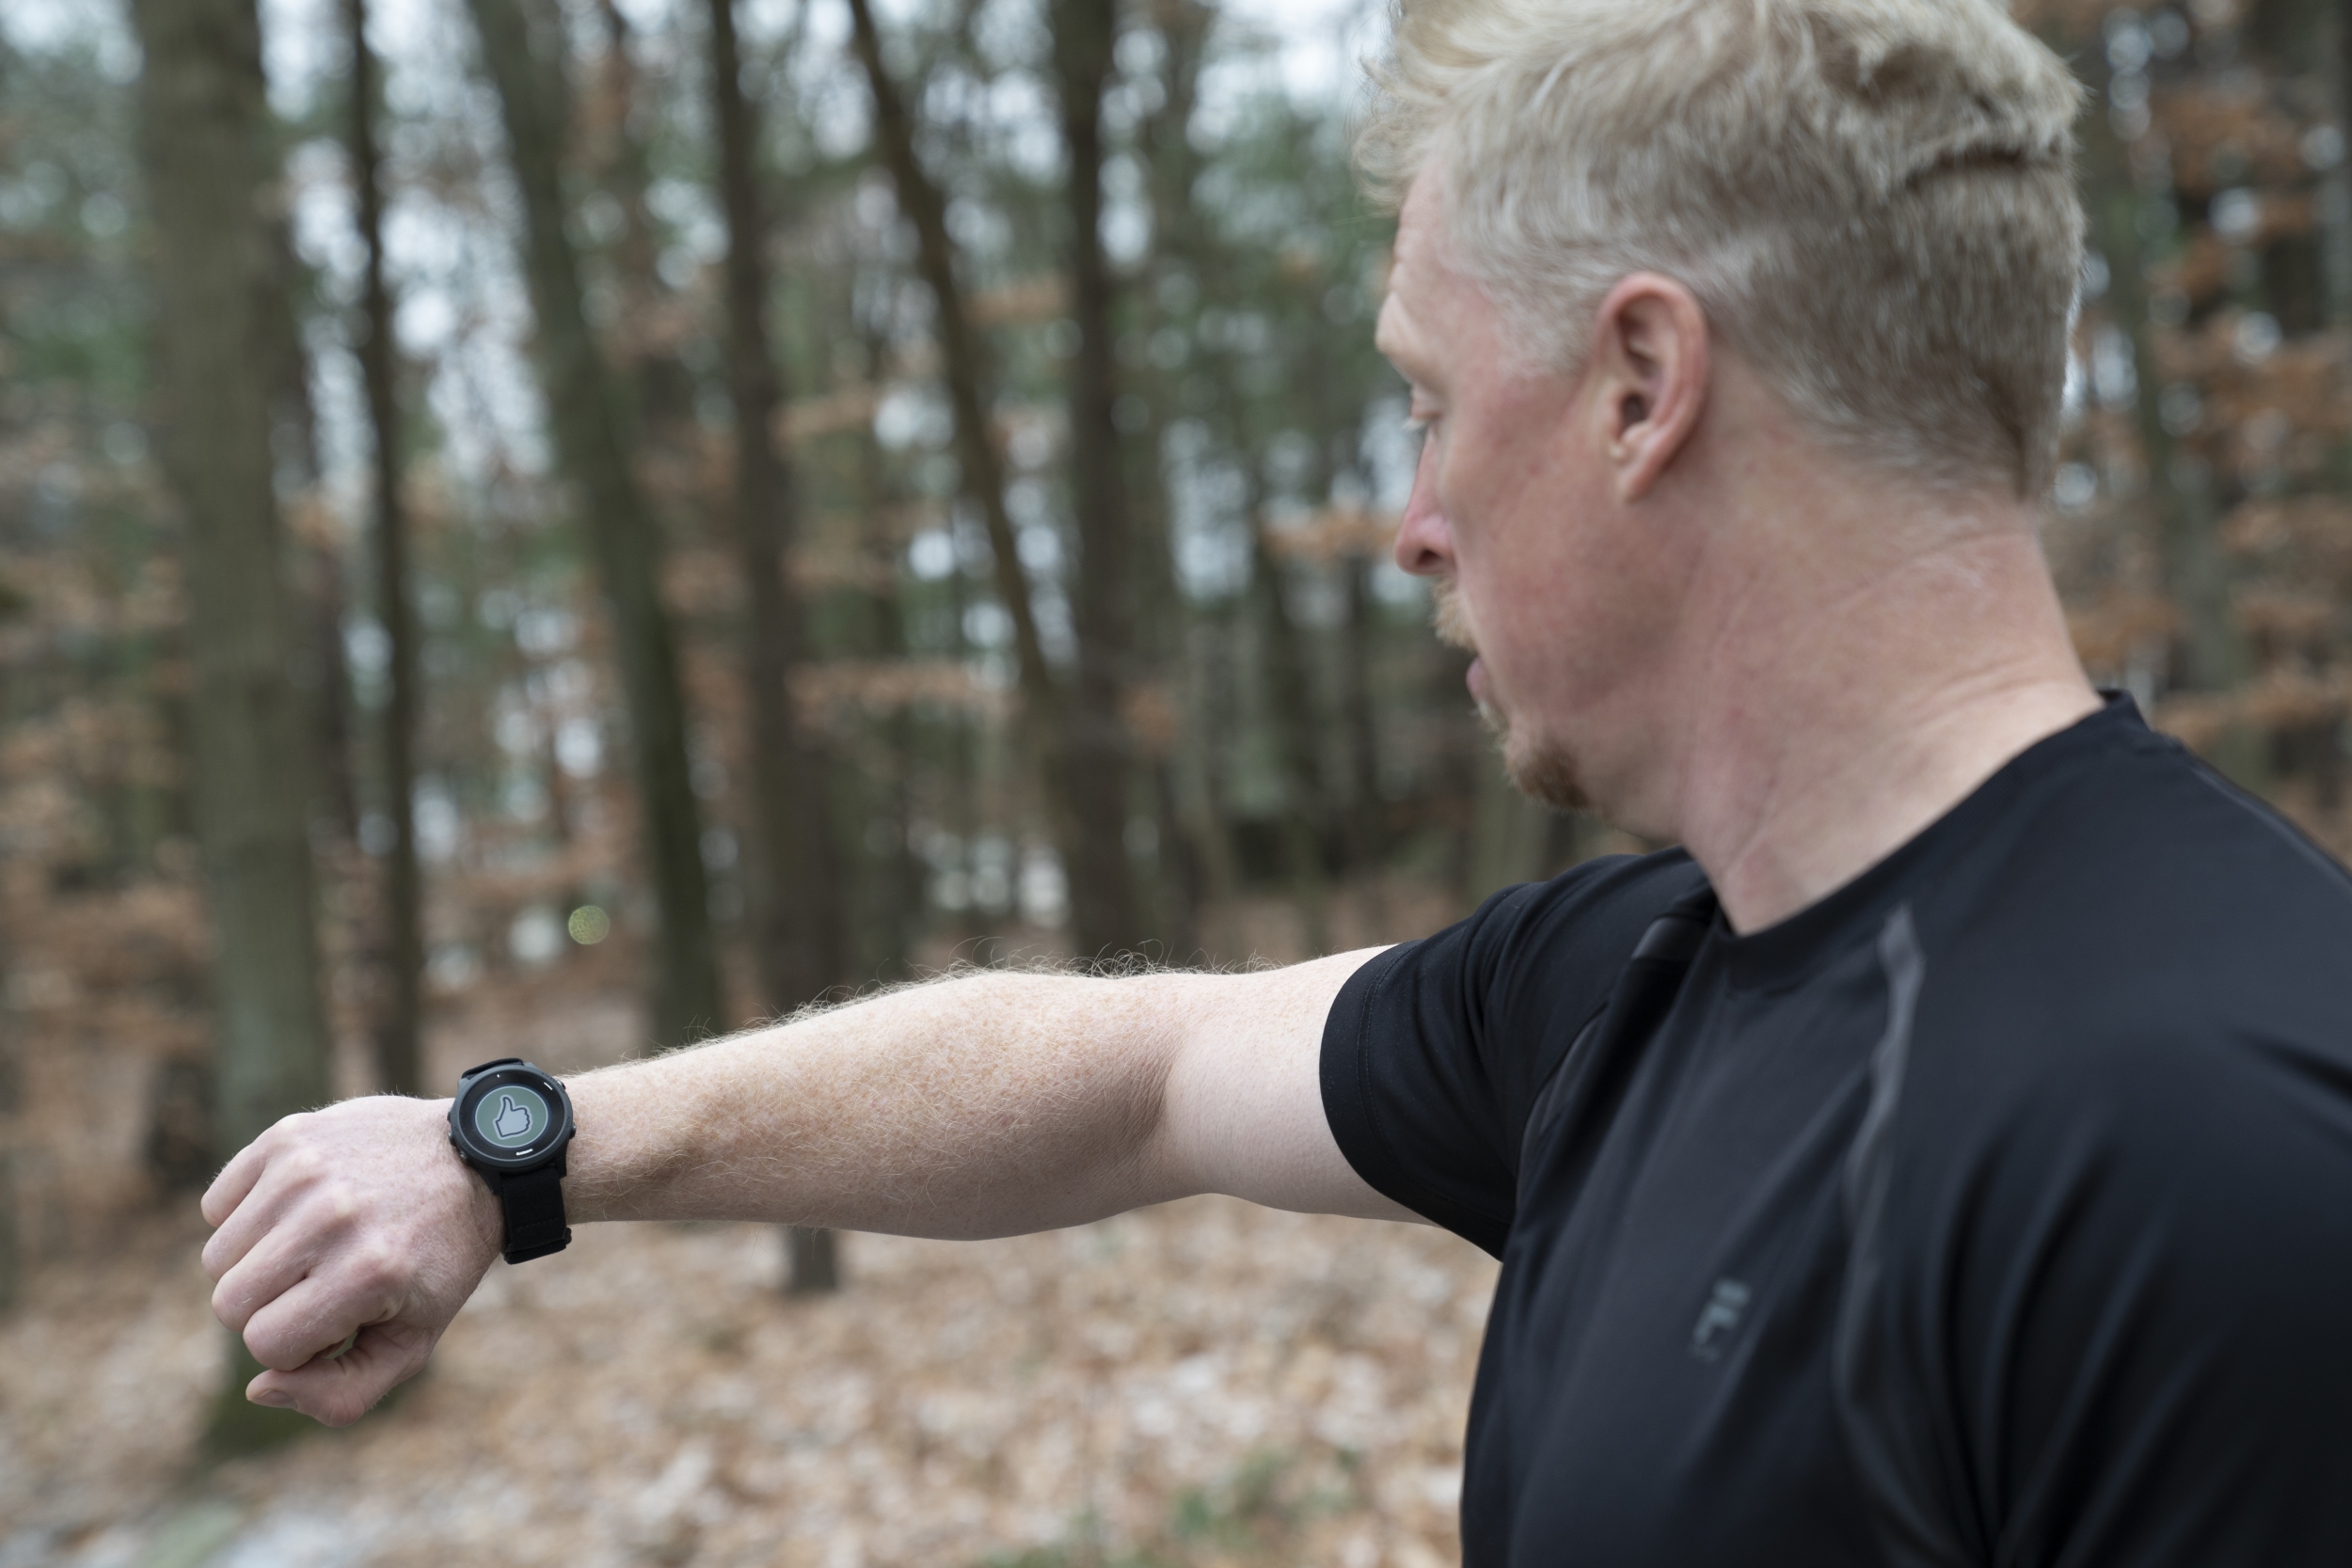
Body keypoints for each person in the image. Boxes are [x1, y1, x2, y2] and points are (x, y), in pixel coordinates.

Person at [201, 0, 2352, 1560]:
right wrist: (522, 1153)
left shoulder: (2209, 1152)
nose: (1411, 519)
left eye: (1425, 403)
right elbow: (1130, 1070)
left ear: (1634, 385)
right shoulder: (1630, 983)